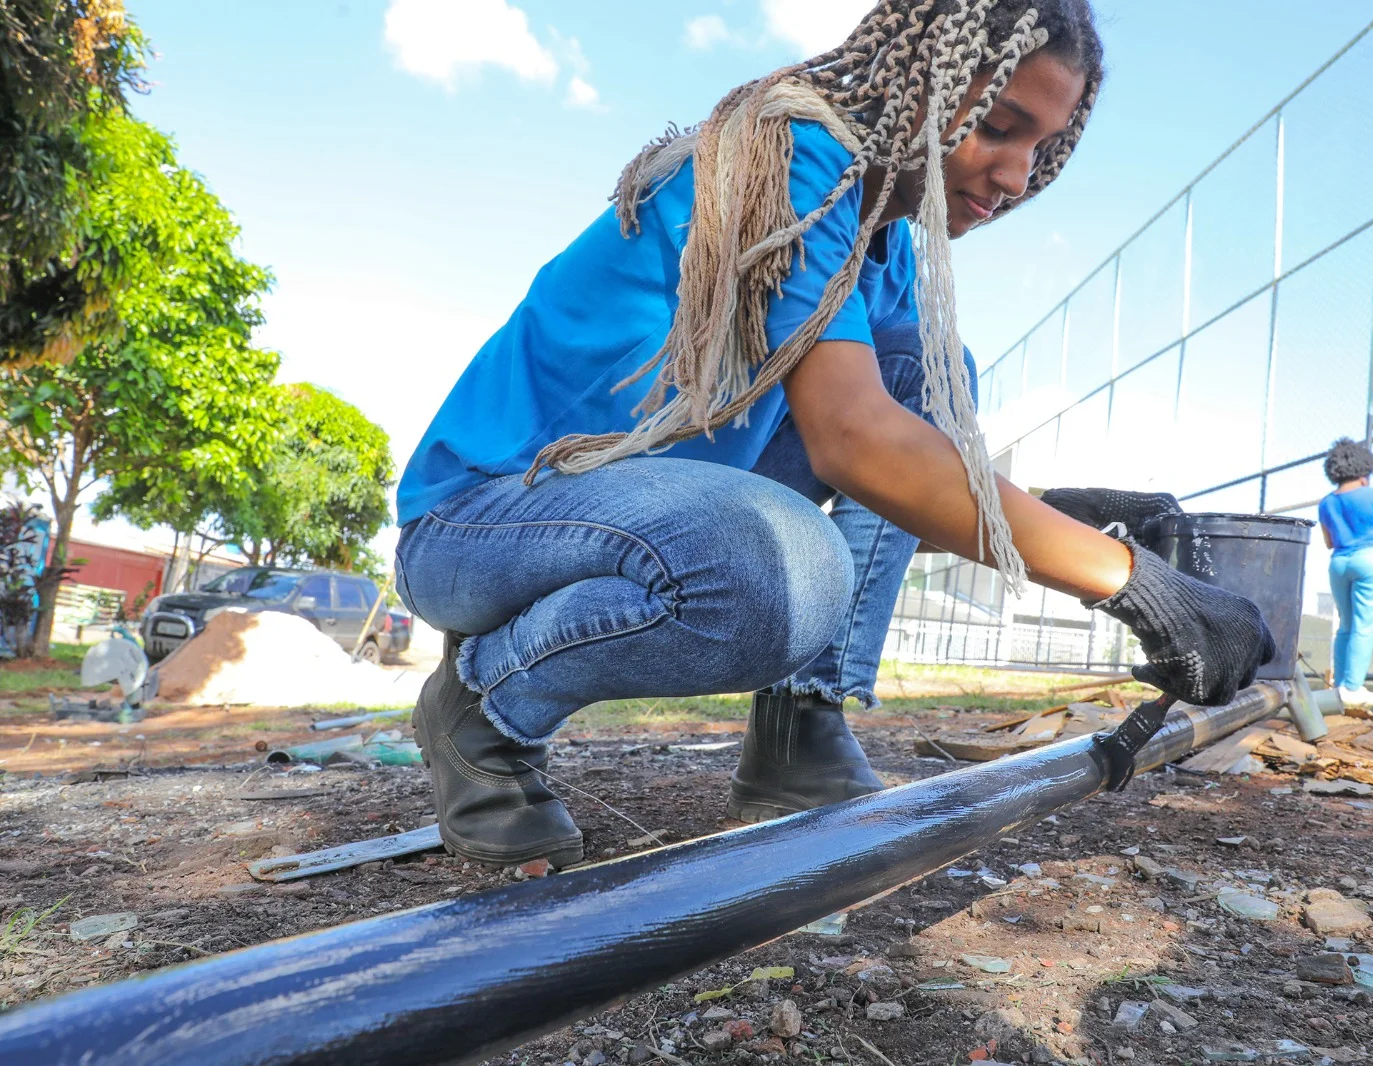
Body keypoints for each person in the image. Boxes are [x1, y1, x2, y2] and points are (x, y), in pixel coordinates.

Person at [393, 0, 1275, 869]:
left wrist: (1075, 525)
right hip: (483, 524)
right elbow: (858, 446)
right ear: (923, 87)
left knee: (931, 376)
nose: (1015, 176)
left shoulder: (883, 248)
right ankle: (484, 703)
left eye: (1040, 147)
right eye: (1000, 128)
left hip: (647, 523)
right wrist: (1129, 582)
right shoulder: (787, 162)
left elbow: (898, 451)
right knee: (778, 567)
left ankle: (799, 720)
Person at [1316, 439, 1373, 709]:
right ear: (1364, 469)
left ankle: (1342, 686)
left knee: (1345, 625)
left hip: (1339, 562)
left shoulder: (1326, 502)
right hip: (1370, 559)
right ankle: (1353, 688)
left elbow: (1329, 542)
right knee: (1365, 625)